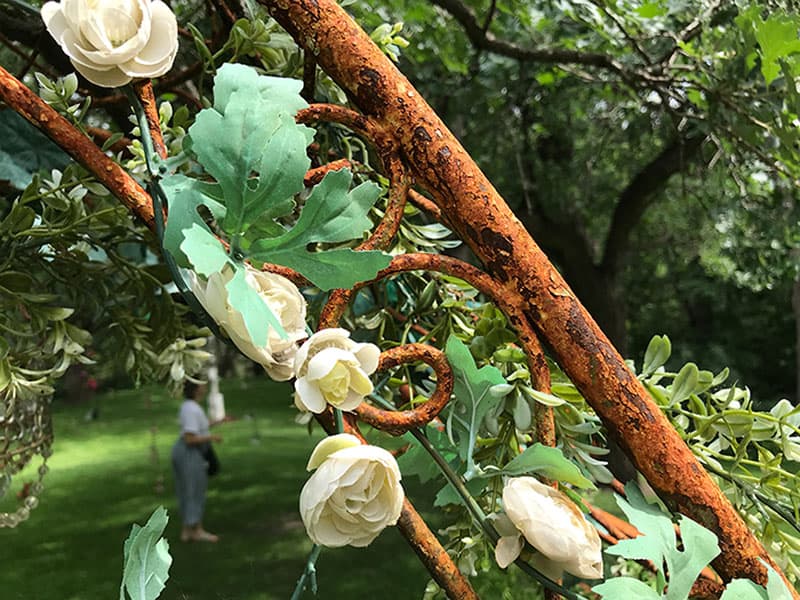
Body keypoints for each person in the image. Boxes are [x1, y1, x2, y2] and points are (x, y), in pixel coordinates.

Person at [171, 380, 222, 542]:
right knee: (194, 490)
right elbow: (190, 438)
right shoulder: (191, 409)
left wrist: (217, 422)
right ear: (196, 388)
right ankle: (196, 529)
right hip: (189, 453)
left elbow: (198, 426)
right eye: (202, 384)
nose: (204, 387)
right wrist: (212, 437)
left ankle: (187, 530)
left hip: (186, 453)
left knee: (187, 490)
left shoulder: (189, 406)